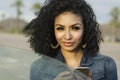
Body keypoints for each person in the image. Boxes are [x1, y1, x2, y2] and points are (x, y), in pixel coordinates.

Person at [24, 0, 118, 80]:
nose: (68, 36)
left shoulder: (106, 64)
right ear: (51, 30)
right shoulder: (38, 68)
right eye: (60, 28)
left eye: (75, 28)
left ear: (86, 29)